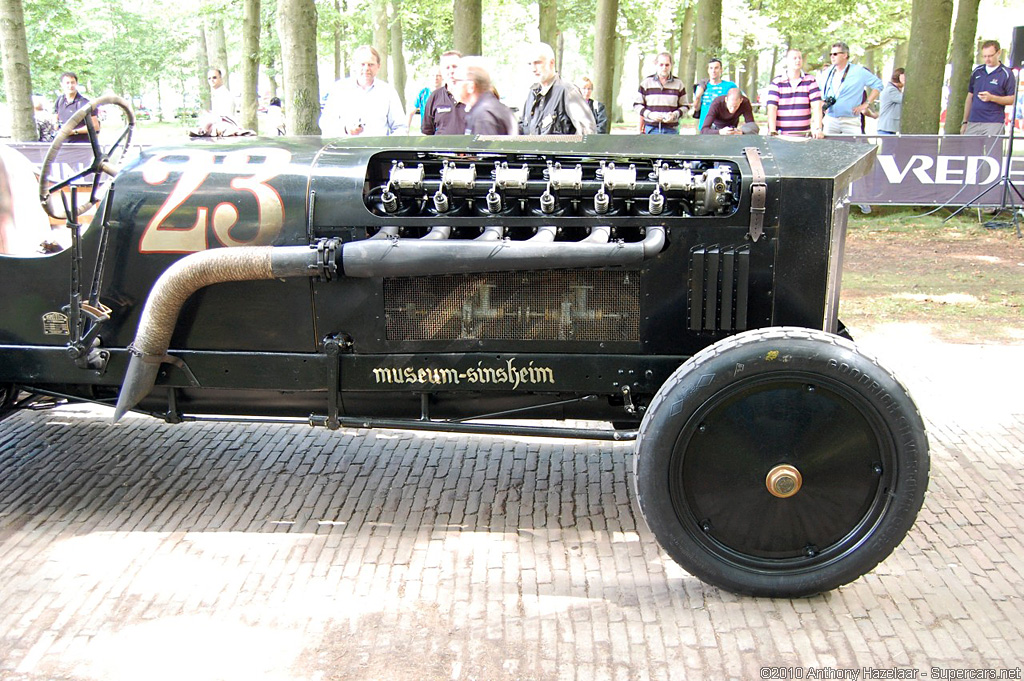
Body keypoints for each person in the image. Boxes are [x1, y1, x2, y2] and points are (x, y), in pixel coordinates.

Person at [320, 45, 407, 137]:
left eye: (371, 64)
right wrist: (345, 129)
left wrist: (388, 147)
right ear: (354, 66)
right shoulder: (339, 89)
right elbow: (326, 123)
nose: (366, 68)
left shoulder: (388, 92)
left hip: (378, 149)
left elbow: (400, 127)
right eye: (362, 64)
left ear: (378, 66)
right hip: (345, 148)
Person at [519, 43, 596, 136]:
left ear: (551, 62)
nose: (533, 68)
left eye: (538, 63)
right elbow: (522, 128)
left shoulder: (568, 92)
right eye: (529, 64)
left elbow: (587, 133)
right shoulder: (532, 94)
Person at [818, 41, 882, 135]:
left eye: (835, 54)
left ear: (845, 55)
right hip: (830, 119)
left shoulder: (858, 71)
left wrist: (866, 104)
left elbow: (878, 85)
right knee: (828, 148)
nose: (832, 56)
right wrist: (822, 102)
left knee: (853, 148)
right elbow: (818, 91)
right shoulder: (827, 73)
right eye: (831, 54)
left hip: (850, 120)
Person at [961, 40, 1016, 136]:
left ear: (998, 53)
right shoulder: (977, 72)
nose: (987, 59)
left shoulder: (1006, 74)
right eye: (984, 56)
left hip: (994, 122)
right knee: (969, 150)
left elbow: (1012, 99)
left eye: (990, 56)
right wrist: (965, 121)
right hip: (973, 121)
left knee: (993, 150)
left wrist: (992, 98)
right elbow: (970, 96)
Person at [765, 49, 823, 138]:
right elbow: (772, 108)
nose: (798, 60)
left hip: (804, 134)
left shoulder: (810, 81)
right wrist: (772, 130)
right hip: (781, 135)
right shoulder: (777, 82)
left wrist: (818, 128)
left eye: (800, 58)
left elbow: (817, 106)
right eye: (794, 58)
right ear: (787, 61)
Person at [452, 59, 516, 136]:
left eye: (455, 81)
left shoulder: (483, 116)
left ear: (471, 86)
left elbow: (486, 147)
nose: (453, 86)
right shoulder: (498, 108)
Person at [634, 52, 688, 135]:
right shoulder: (646, 83)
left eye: (667, 65)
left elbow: (685, 106)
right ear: (656, 65)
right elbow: (637, 105)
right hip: (651, 129)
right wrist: (650, 115)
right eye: (661, 65)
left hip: (671, 130)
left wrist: (674, 115)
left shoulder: (678, 84)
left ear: (671, 65)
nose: (664, 68)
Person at [421, 51, 467, 135]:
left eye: (454, 66)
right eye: (447, 67)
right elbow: (427, 131)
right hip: (441, 147)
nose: (451, 71)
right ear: (442, 71)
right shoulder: (435, 97)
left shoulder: (473, 96)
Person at [53, 72, 98, 143]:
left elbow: (95, 127)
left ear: (76, 83)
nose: (70, 85)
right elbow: (56, 114)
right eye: (67, 83)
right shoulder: (59, 100)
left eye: (72, 82)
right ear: (61, 85)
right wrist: (56, 124)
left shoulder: (85, 103)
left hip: (80, 145)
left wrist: (74, 132)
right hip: (62, 144)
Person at [694, 59, 736, 132]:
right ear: (708, 70)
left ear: (721, 70)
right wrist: (698, 97)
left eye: (716, 68)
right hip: (705, 128)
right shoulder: (702, 86)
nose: (713, 71)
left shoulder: (730, 85)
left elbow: (740, 101)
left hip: (723, 127)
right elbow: (696, 108)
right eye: (711, 68)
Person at [877, 68, 904, 135]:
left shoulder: (892, 89)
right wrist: (904, 83)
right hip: (886, 129)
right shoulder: (891, 90)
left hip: (888, 129)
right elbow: (904, 99)